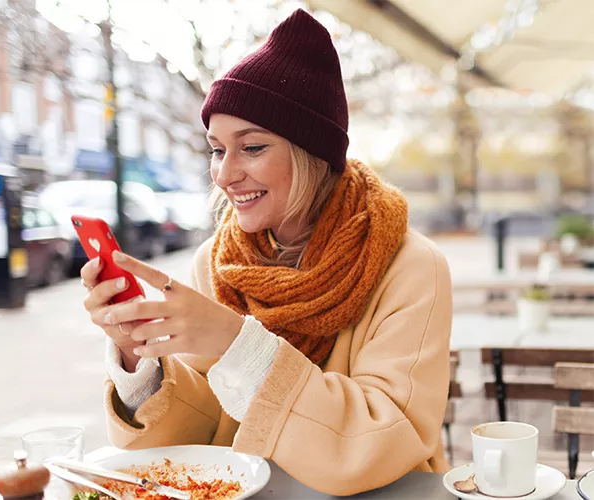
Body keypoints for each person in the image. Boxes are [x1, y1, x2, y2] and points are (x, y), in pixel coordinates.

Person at [80, 8, 452, 496]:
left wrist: (238, 346)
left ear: (313, 154)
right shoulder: (215, 264)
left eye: (251, 147)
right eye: (217, 149)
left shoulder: (410, 267)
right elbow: (207, 437)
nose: (224, 174)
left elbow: (381, 444)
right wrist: (138, 357)